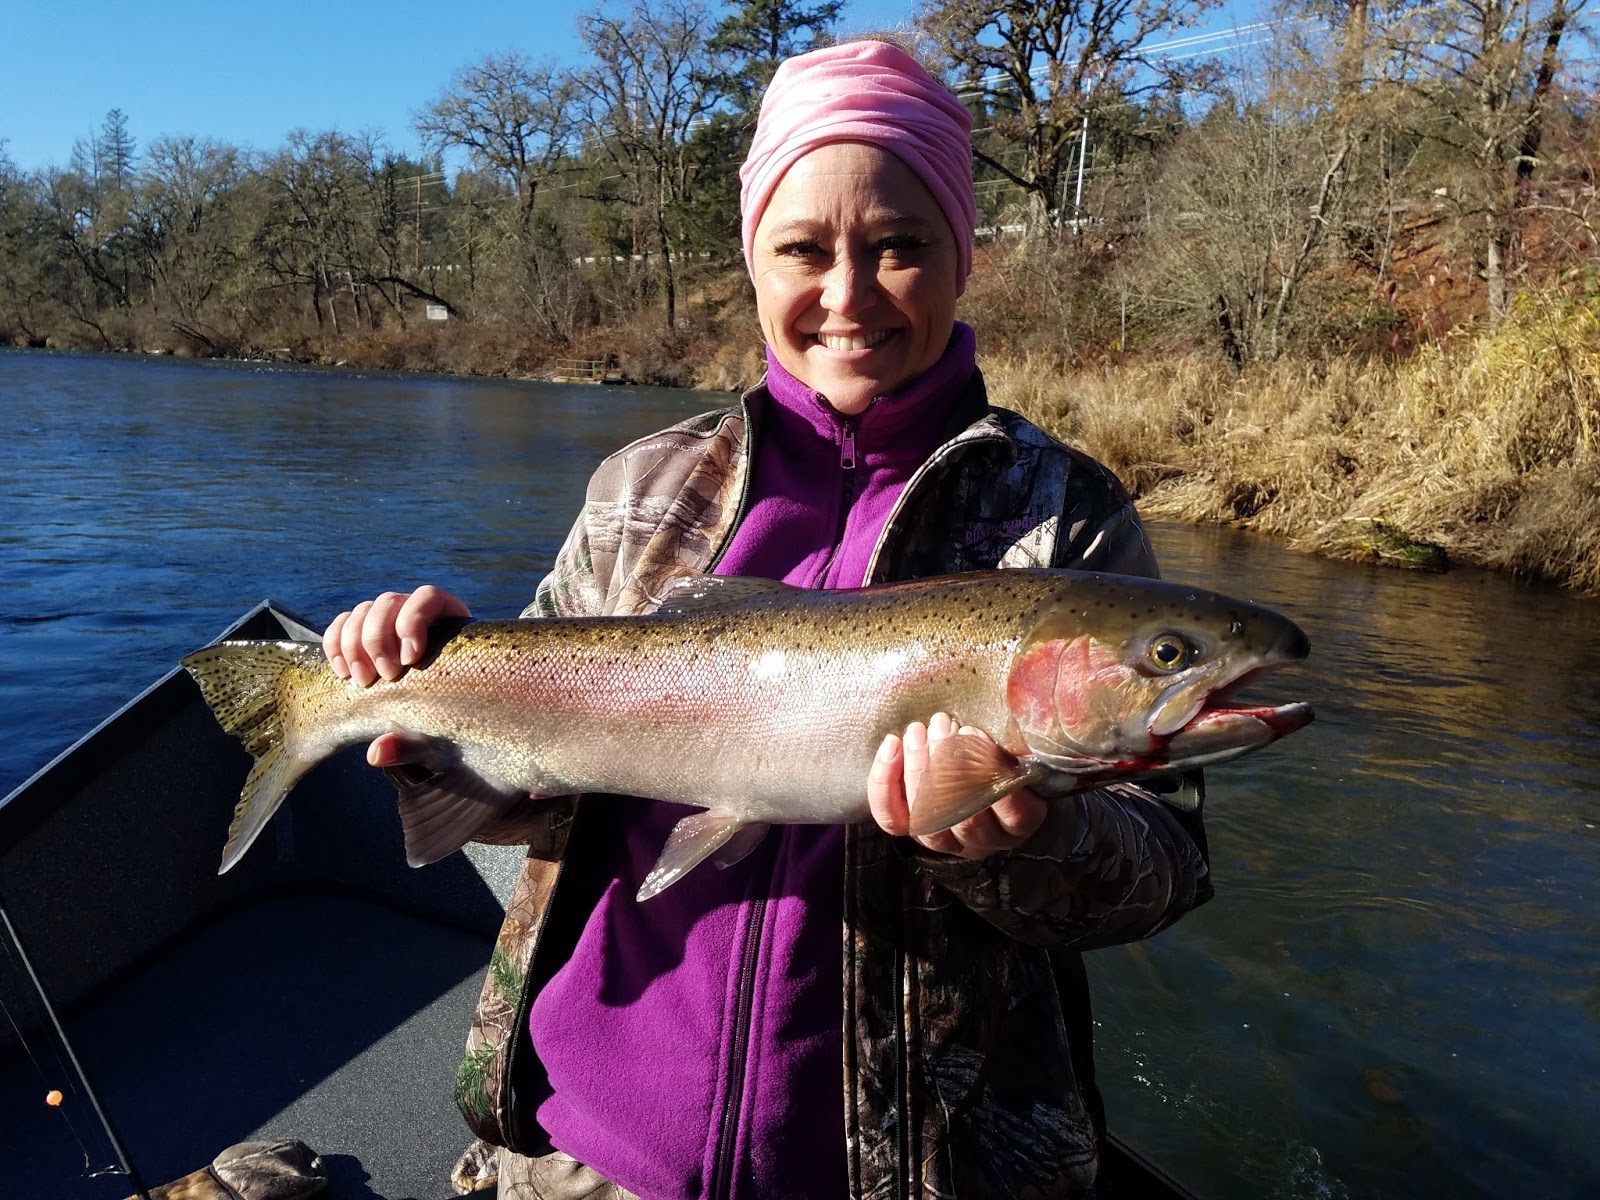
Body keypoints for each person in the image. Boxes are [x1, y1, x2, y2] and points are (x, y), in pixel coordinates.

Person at [325, 40, 1211, 1200]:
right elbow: (525, 805)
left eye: (899, 245)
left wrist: (1029, 842)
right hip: (585, 1153)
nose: (847, 296)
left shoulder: (1065, 519)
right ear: (753, 260)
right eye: (803, 249)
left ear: (963, 257)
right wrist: (425, 695)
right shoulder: (642, 487)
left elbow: (1159, 870)